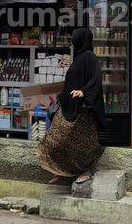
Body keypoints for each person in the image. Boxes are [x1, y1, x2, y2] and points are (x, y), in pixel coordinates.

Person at [34, 27, 105, 184]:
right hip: (69, 107)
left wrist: (84, 92)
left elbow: (96, 80)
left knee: (83, 145)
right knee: (58, 139)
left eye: (75, 38)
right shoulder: (80, 56)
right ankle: (62, 171)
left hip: (83, 111)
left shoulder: (90, 57)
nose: (73, 41)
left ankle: (86, 171)